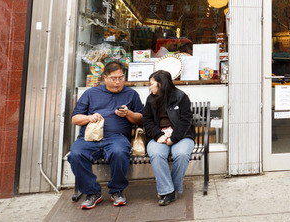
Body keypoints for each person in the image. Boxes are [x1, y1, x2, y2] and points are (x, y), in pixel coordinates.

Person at [68, 61, 144, 209]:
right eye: (113, 78)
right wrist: (89, 118)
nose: (118, 82)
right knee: (75, 155)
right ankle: (92, 192)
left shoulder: (131, 94)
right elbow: (75, 119)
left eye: (121, 78)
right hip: (89, 138)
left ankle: (117, 190)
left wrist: (127, 113)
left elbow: (140, 119)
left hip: (116, 137)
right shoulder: (91, 93)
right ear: (105, 78)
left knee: (119, 152)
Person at [142, 70, 196, 206]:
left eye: (151, 84)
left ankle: (170, 189)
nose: (150, 87)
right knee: (156, 153)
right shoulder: (150, 100)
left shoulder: (180, 97)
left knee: (182, 153)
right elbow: (147, 120)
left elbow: (186, 120)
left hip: (181, 135)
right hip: (158, 136)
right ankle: (168, 192)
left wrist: (174, 138)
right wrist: (158, 135)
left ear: (160, 84)